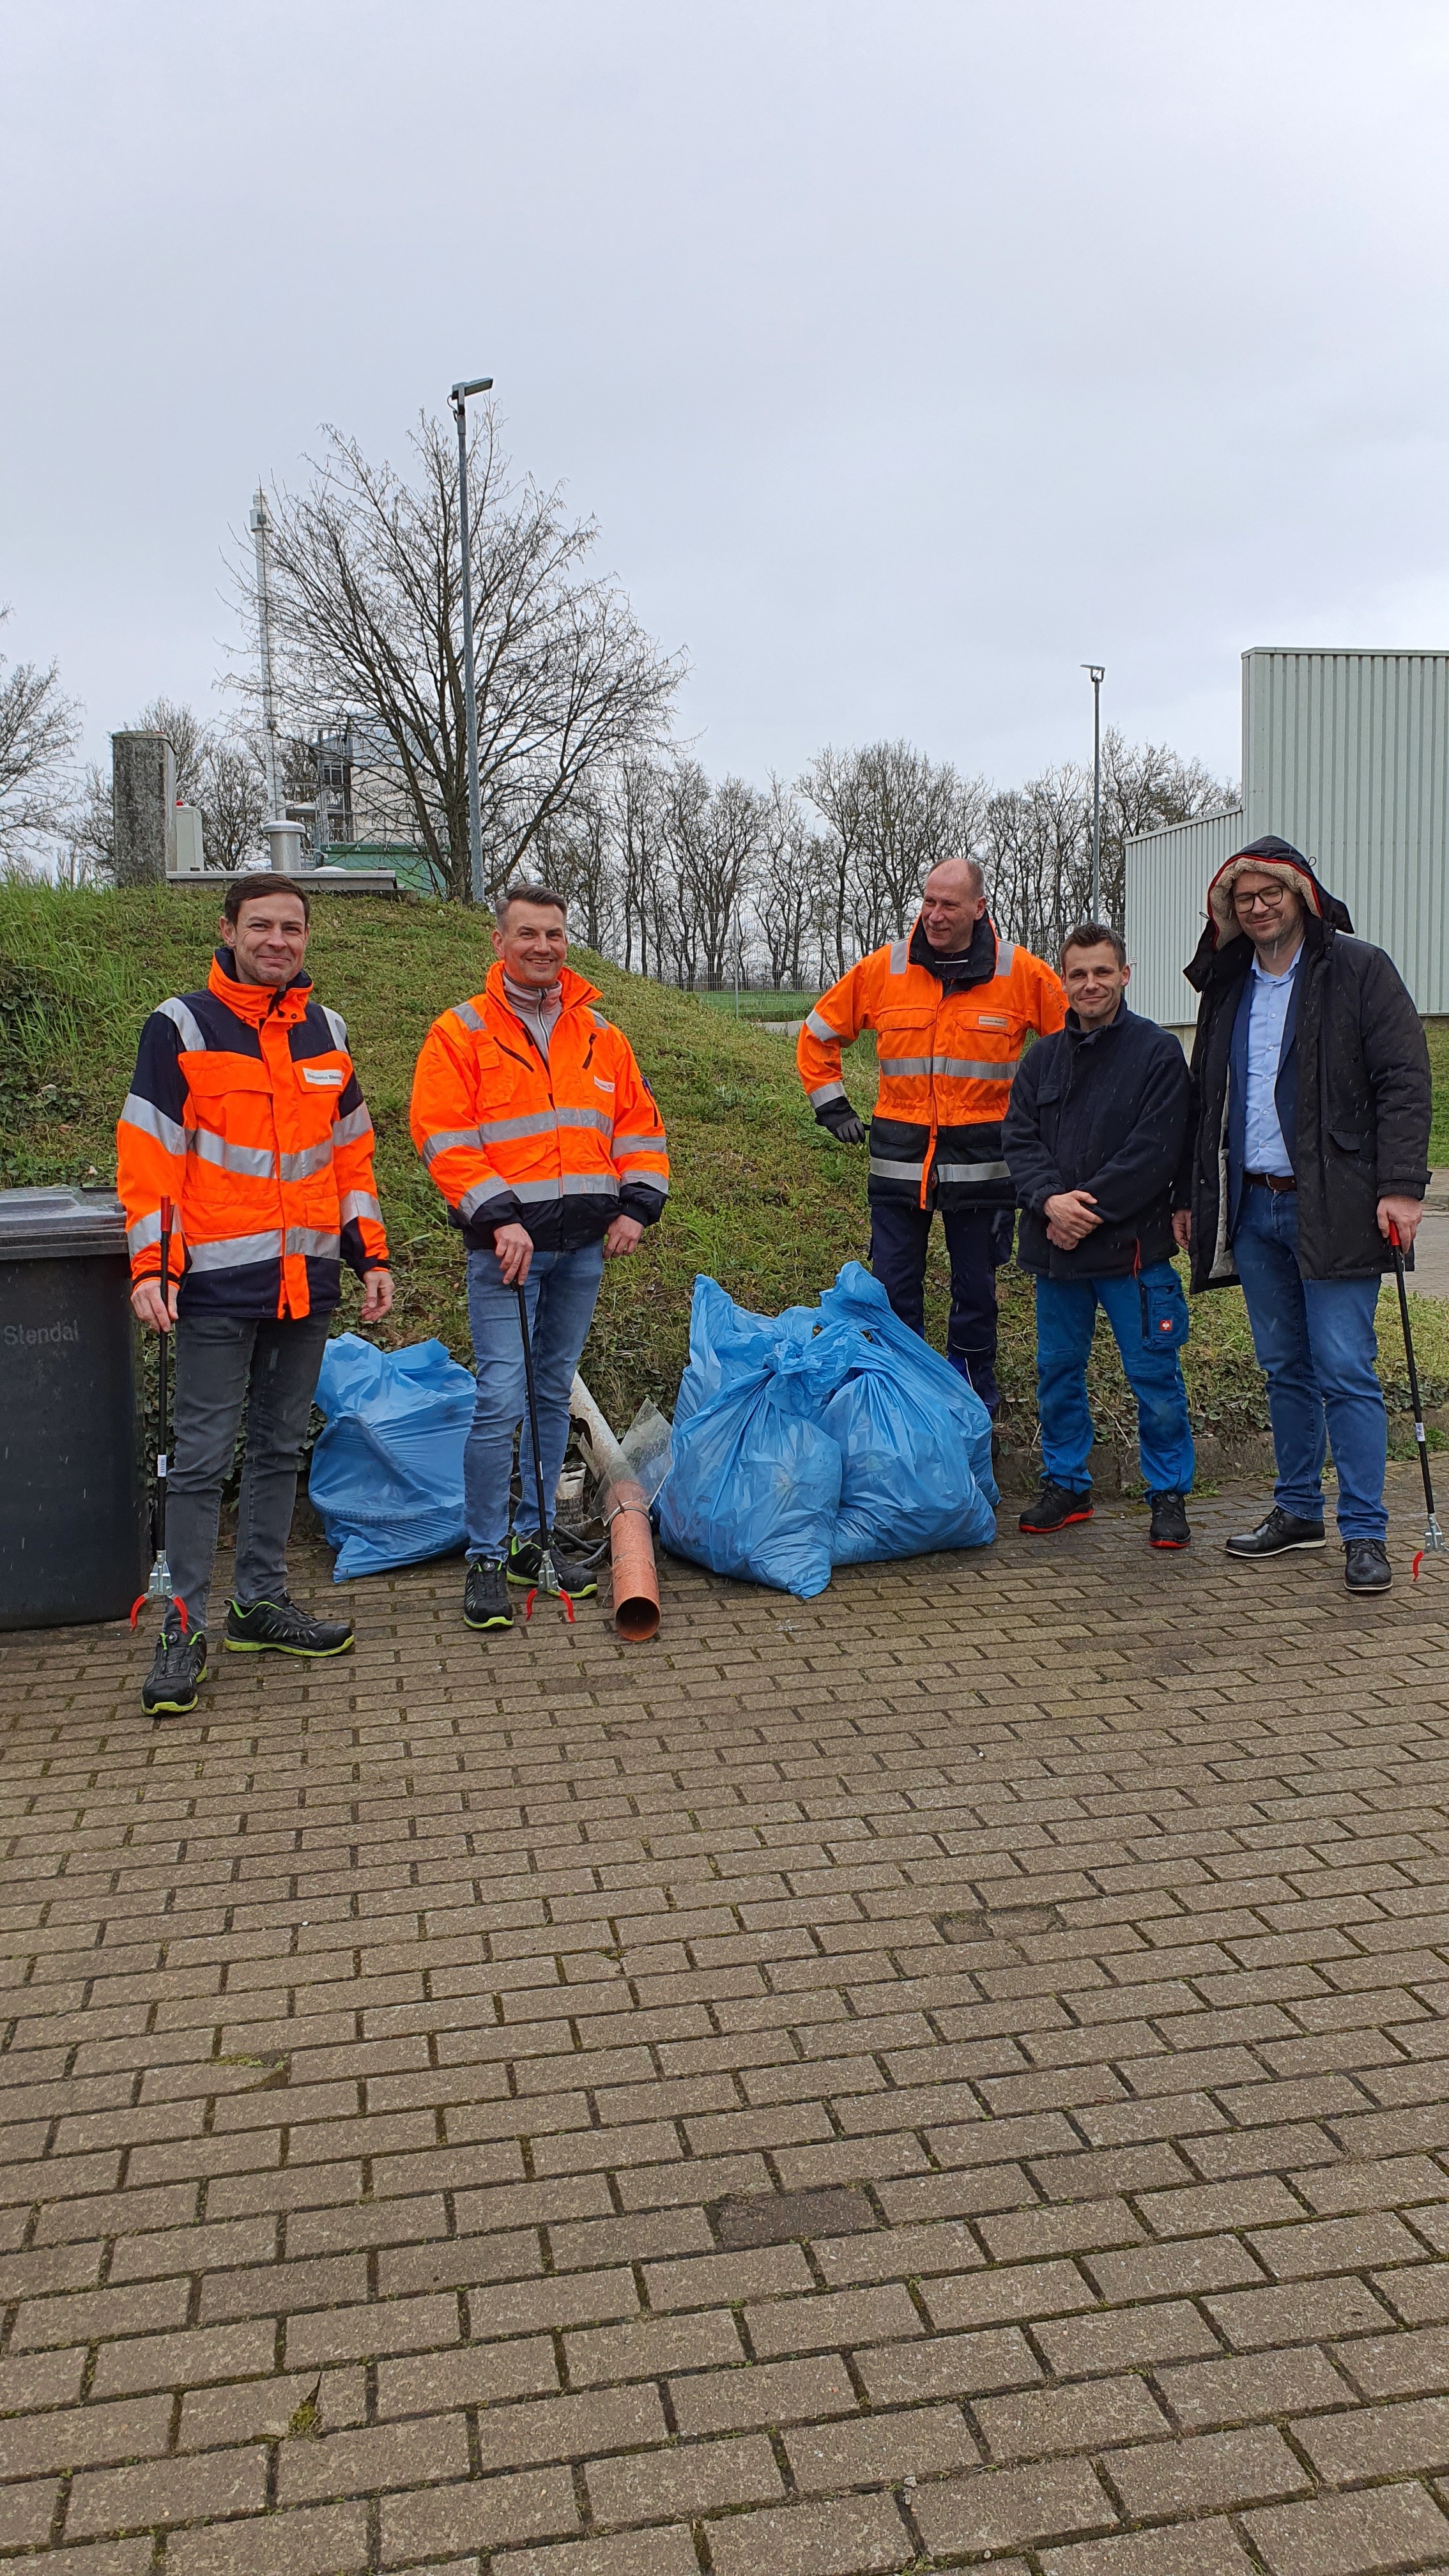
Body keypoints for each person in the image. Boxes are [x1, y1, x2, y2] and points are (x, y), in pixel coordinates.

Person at [118, 874, 394, 1717]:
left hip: (305, 1280)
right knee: (201, 1460)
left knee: (279, 1448)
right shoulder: (182, 1027)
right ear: (229, 929)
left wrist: (369, 1253)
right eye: (262, 926)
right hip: (210, 1284)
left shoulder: (328, 1031)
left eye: (293, 928)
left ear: (308, 939)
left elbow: (351, 1160)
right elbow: (151, 1154)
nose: (278, 940)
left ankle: (260, 1604)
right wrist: (152, 1267)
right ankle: (181, 1629)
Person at [1174, 834, 1430, 1593]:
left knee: (1345, 1369)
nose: (1257, 908)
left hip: (1341, 1207)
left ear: (1302, 895)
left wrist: (1404, 1187)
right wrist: (1190, 1197)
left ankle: (1365, 1531)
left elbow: (1404, 1081)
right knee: (1284, 1368)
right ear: (1229, 909)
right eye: (1243, 899)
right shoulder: (1226, 987)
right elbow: (1203, 1101)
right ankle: (1296, 1511)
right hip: (1252, 1208)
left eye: (1270, 894)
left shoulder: (1358, 968)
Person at [410, 881, 668, 1634]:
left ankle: (536, 1538)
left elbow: (640, 1126)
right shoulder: (460, 1033)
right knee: (500, 1400)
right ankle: (487, 1556)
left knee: (551, 1393)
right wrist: (498, 1218)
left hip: (582, 1247)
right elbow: (441, 1134)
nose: (543, 948)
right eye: (528, 934)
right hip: (508, 1255)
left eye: (554, 935)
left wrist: (636, 1206)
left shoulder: (600, 1034)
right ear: (499, 942)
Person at [796, 858, 1066, 1414]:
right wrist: (832, 1106)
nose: (934, 916)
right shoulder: (884, 969)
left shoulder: (1021, 974)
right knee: (893, 1298)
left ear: (979, 909)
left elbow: (1075, 1048)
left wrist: (1050, 1127)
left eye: (948, 905)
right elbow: (818, 1033)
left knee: (976, 1298)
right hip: (899, 1166)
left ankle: (970, 1408)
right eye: (928, 901)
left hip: (986, 1173)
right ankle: (899, 1405)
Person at [1004, 923, 1194, 1547]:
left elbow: (1156, 1149)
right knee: (1058, 1374)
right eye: (1078, 973)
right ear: (1064, 981)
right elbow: (1019, 1140)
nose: (1090, 984)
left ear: (1125, 975)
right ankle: (1068, 1485)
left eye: (1102, 972)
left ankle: (1167, 1494)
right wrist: (1049, 1202)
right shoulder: (1040, 1059)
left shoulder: (1157, 1053)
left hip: (1133, 1255)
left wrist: (1085, 1211)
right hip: (1055, 1253)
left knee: (1156, 1379)